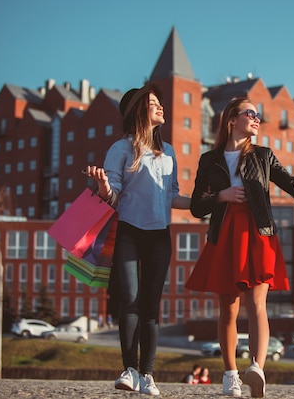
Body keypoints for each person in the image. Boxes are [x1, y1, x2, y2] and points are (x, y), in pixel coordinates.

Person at [185, 97, 294, 398]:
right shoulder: (208, 160)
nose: (257, 118)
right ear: (231, 120)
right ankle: (230, 375)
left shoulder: (263, 156)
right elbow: (196, 208)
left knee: (257, 305)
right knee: (228, 309)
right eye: (250, 113)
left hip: (258, 234)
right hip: (224, 235)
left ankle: (256, 368)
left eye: (258, 114)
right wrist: (222, 196)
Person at [84, 82, 191, 396]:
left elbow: (173, 197)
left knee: (151, 307)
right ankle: (129, 370)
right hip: (129, 231)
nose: (161, 107)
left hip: (160, 235)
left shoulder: (168, 152)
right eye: (154, 102)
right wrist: (103, 185)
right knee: (129, 301)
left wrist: (205, 202)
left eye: (160, 102)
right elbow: (113, 198)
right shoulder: (121, 149)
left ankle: (148, 375)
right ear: (139, 110)